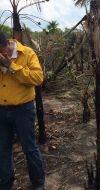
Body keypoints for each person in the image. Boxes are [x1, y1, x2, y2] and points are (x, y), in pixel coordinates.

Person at [0, 31, 45, 190]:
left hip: (23, 110)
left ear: (6, 47)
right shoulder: (3, 51)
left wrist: (10, 66)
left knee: (29, 148)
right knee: (2, 150)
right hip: (1, 110)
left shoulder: (26, 53)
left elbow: (38, 78)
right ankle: (5, 181)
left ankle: (38, 184)